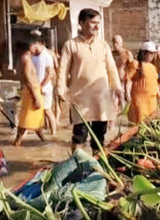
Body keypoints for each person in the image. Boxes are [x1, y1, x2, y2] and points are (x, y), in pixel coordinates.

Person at [57, 9, 123, 155]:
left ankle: (97, 168)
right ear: (81, 23)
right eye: (93, 22)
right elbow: (63, 69)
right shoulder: (71, 45)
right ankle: (75, 165)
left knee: (99, 137)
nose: (97, 26)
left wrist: (118, 88)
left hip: (101, 98)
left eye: (98, 23)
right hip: (81, 99)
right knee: (79, 136)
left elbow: (111, 69)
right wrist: (60, 90)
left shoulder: (103, 45)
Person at [13, 39, 45, 146]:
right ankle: (18, 141)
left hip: (34, 90)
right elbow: (27, 79)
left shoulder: (27, 59)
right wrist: (34, 96)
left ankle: (44, 140)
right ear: (29, 48)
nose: (35, 47)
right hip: (31, 92)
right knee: (27, 118)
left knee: (36, 118)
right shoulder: (26, 59)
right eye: (33, 46)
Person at [126, 42, 160, 123]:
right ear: (144, 53)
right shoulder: (136, 64)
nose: (152, 56)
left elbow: (155, 83)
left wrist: (159, 95)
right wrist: (127, 94)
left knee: (151, 123)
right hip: (140, 100)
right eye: (150, 53)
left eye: (153, 54)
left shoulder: (152, 67)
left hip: (152, 100)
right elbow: (129, 80)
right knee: (140, 123)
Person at [31, 36, 57, 136]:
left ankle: (53, 134)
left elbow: (50, 73)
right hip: (35, 88)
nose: (33, 47)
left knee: (47, 110)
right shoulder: (33, 56)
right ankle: (41, 132)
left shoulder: (46, 56)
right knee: (36, 111)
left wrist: (42, 86)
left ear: (41, 44)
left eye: (35, 45)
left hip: (45, 89)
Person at [112, 35, 135, 100]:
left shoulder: (127, 54)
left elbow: (132, 68)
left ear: (121, 43)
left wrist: (128, 82)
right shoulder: (112, 54)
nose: (115, 45)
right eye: (113, 43)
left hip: (124, 82)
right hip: (114, 82)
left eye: (117, 43)